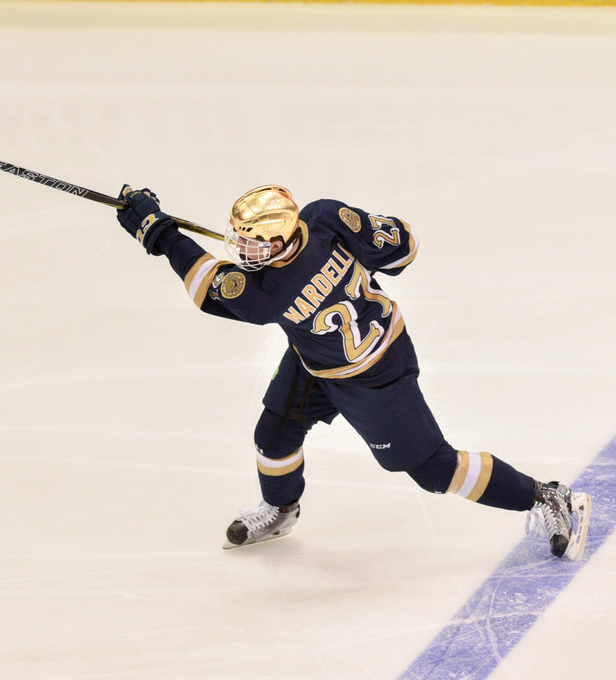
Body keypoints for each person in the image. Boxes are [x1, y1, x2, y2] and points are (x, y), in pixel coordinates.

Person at [115, 184, 591, 559]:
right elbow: (404, 247)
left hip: (377, 377)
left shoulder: (264, 293)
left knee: (434, 469)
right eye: (239, 237)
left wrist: (157, 233)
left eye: (253, 244)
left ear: (282, 241)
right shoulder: (323, 217)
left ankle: (546, 496)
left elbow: (205, 282)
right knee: (274, 435)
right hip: (320, 361)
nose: (243, 249)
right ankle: (280, 508)